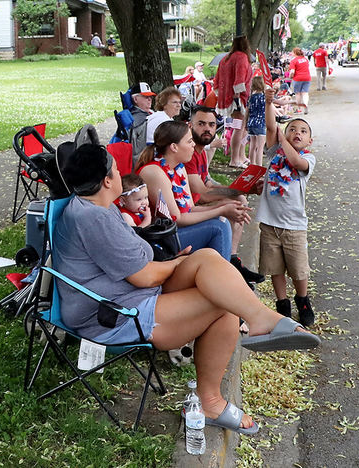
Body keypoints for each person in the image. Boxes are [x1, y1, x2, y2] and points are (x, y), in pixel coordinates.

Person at [51, 131, 319, 435]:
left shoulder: (99, 206)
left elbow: (140, 267)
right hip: (113, 314)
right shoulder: (93, 218)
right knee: (223, 303)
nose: (119, 172)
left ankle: (257, 322)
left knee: (206, 258)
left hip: (133, 293)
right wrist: (175, 264)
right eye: (114, 168)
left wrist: (171, 263)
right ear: (107, 181)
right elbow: (145, 275)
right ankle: (213, 398)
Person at [135, 121, 251, 262]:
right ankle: (222, 276)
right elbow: (177, 219)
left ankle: (219, 271)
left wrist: (224, 208)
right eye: (189, 141)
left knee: (221, 220)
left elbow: (190, 209)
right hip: (158, 239)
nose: (193, 145)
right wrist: (221, 210)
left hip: (172, 233)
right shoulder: (154, 171)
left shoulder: (179, 168)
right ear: (174, 147)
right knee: (218, 226)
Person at [257, 87, 317, 327]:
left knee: (299, 269)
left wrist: (283, 138)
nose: (296, 133)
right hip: (270, 223)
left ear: (309, 140)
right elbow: (272, 128)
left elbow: (295, 160)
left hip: (294, 225)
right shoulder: (275, 153)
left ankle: (302, 299)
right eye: (292, 128)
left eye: (303, 131)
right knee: (275, 267)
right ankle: (282, 303)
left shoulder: (308, 159)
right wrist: (269, 103)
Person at [183, 105, 263, 285]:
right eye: (201, 124)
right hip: (190, 209)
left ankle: (232, 259)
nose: (208, 129)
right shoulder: (188, 153)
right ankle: (228, 266)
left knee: (239, 199)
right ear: (190, 126)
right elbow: (202, 193)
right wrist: (240, 190)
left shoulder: (200, 151)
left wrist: (242, 188)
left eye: (212, 125)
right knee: (237, 201)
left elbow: (208, 184)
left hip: (196, 203)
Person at [214, 36, 252, 168]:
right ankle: (235, 159)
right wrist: (237, 97)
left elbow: (217, 80)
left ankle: (241, 156)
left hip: (228, 99)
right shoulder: (241, 57)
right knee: (239, 128)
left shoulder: (225, 58)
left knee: (241, 129)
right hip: (238, 100)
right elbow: (239, 79)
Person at [287, 47, 311, 114]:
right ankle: (306, 104)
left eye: (292, 52)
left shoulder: (293, 61)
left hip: (297, 78)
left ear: (295, 53)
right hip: (307, 77)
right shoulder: (305, 59)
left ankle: (299, 108)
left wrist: (290, 77)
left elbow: (292, 71)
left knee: (298, 93)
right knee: (305, 93)